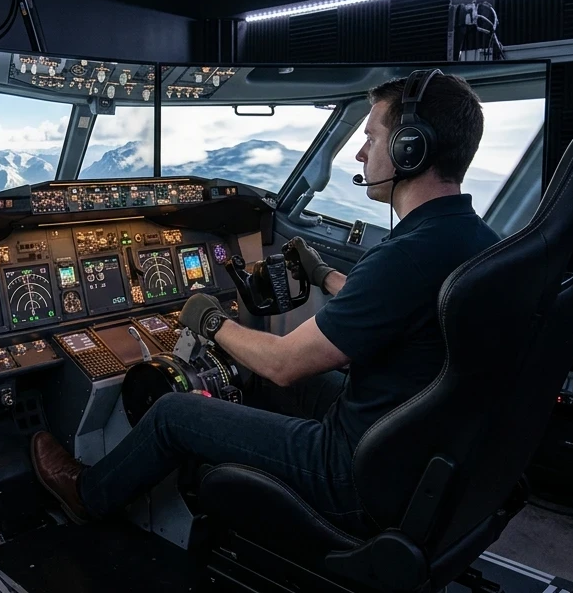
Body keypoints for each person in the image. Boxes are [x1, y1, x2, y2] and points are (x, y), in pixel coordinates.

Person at [30, 71, 503, 531]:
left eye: (372, 138)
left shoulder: (407, 255)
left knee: (176, 412)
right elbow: (399, 305)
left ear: (410, 148)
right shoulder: (475, 240)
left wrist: (209, 319)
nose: (359, 153)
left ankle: (87, 493)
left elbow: (283, 363)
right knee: (248, 372)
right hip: (413, 451)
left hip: (352, 474)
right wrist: (325, 276)